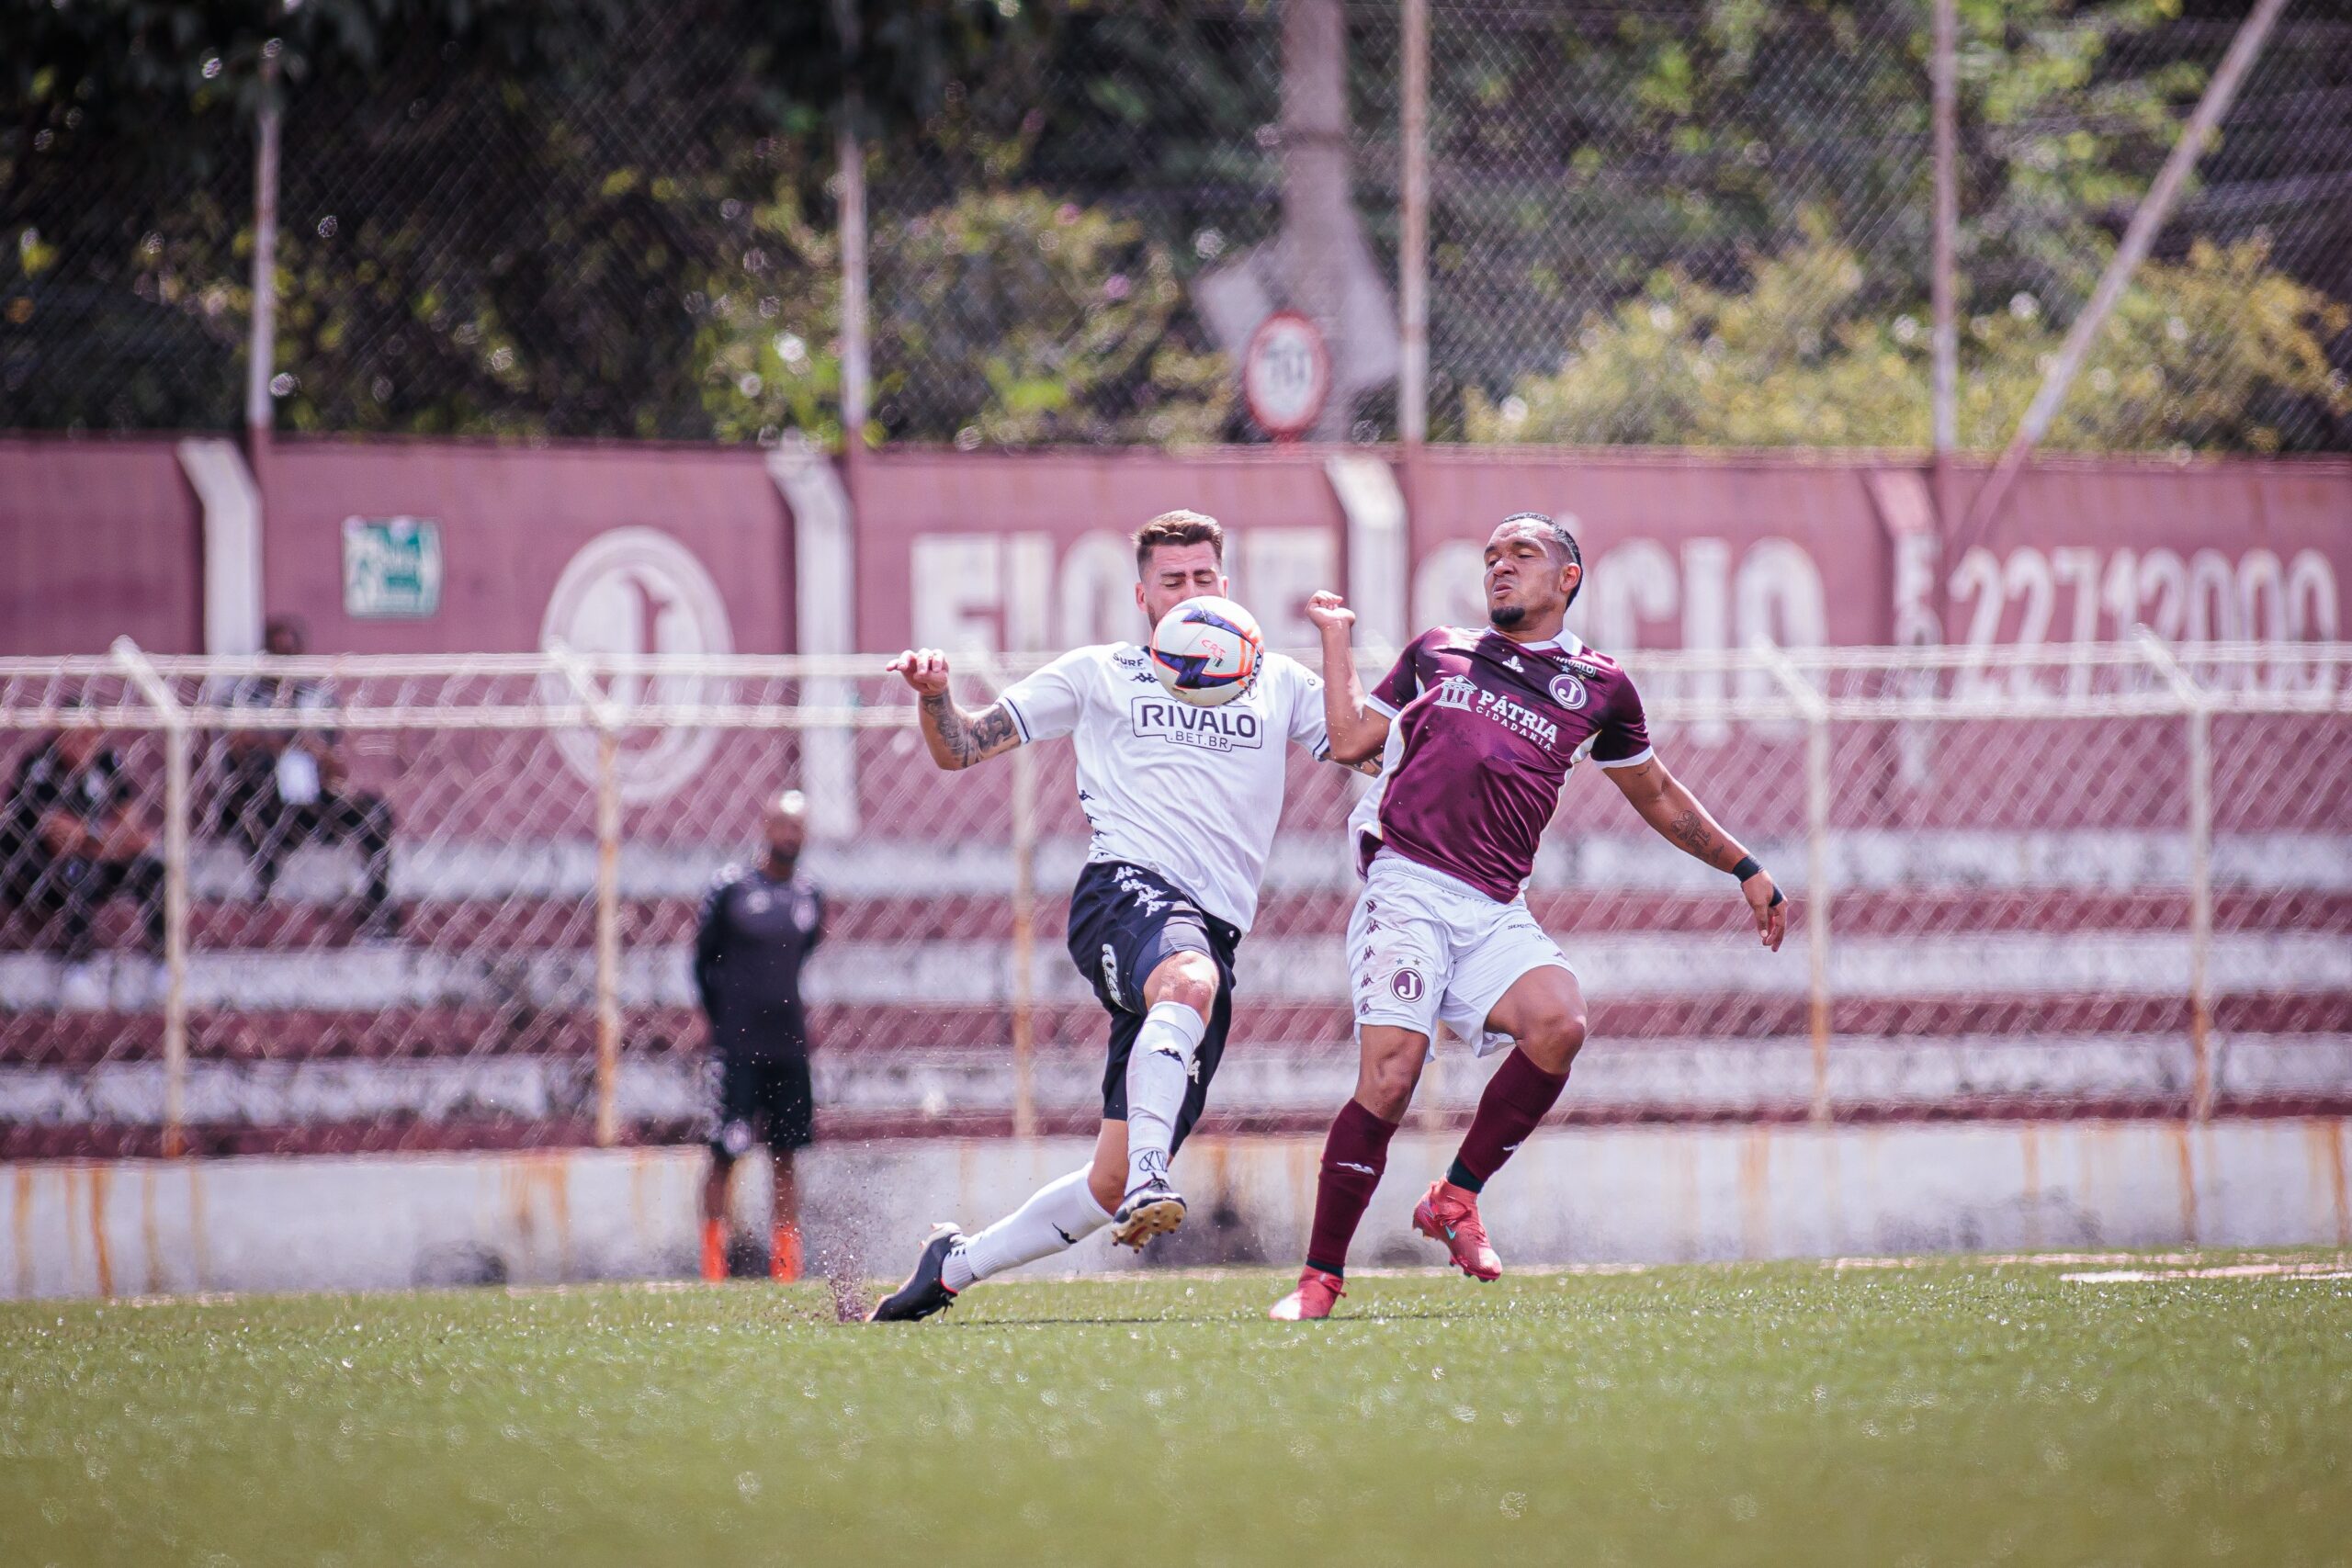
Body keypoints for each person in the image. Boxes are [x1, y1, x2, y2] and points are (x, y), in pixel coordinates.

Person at [1269, 512, 1788, 1321]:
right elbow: (1345, 741)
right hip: (1407, 882)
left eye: (1523, 553)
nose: (1501, 566)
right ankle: (1319, 1278)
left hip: (1493, 903)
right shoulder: (1438, 649)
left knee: (1559, 1021)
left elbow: (1653, 791)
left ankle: (1454, 1198)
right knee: (1393, 1075)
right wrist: (1335, 638)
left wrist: (1743, 865)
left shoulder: (1602, 687)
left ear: (1568, 577)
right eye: (1491, 556)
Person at [865, 509, 1337, 1322]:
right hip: (1126, 891)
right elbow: (963, 745)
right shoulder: (1102, 672)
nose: (1188, 591)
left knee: (1104, 1182)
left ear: (1225, 587)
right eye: (1171, 580)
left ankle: (951, 1267)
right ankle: (1157, 1175)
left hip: (1209, 934)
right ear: (1143, 595)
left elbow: (1368, 744)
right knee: (1189, 984)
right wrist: (937, 697)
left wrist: (1339, 643)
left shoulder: (1281, 681)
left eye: (1202, 578)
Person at [695, 790, 827, 1282]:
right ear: (765, 827)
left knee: (786, 1155)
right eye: (783, 826)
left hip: (788, 1046)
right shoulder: (730, 890)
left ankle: (786, 1268)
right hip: (738, 1048)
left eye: (799, 827)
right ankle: (713, 1267)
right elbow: (702, 963)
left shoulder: (810, 895)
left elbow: (803, 956)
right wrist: (723, 1022)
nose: (791, 835)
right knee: (725, 1152)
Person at [215, 616, 397, 935]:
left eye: (290, 653)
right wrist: (285, 740)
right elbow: (236, 746)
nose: (284, 662)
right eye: (277, 653)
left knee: (374, 811)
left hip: (309, 800)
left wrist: (315, 750)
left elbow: (335, 762)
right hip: (262, 797)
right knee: (258, 780)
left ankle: (377, 904)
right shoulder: (243, 696)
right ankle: (264, 891)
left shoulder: (318, 699)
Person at [1, 724, 165, 963]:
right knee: (78, 870)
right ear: (61, 736)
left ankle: (164, 958)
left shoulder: (105, 760)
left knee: (154, 870)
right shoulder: (39, 766)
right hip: (34, 871)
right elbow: (58, 842)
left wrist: (91, 836)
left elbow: (132, 829)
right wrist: (110, 839)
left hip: (94, 858)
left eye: (94, 736)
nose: (88, 744)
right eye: (80, 736)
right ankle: (79, 964)